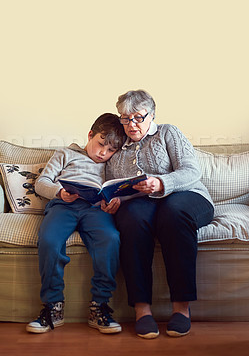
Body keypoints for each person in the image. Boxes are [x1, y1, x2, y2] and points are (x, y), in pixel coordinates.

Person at [102, 90, 214, 339]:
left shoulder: (168, 132)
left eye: (138, 118)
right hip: (142, 202)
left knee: (173, 214)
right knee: (131, 220)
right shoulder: (118, 145)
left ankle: (181, 309)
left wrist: (161, 182)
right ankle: (142, 310)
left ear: (152, 115)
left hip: (187, 195)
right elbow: (114, 184)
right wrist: (114, 199)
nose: (131, 125)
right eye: (125, 118)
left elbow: (191, 171)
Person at [26, 113, 125, 334]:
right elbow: (41, 183)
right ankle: (53, 307)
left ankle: (99, 306)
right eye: (101, 145)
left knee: (110, 239)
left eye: (111, 150)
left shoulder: (113, 163)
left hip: (96, 210)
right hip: (63, 206)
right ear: (90, 135)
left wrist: (116, 200)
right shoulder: (65, 153)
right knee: (50, 240)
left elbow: (119, 187)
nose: (103, 153)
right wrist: (59, 192)